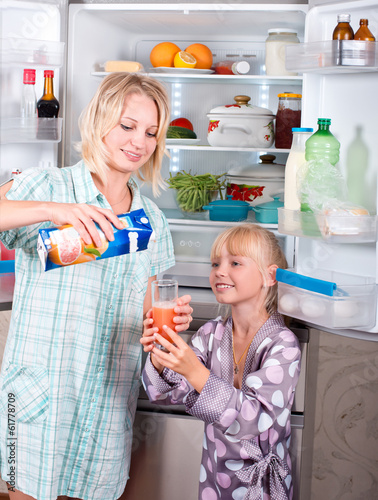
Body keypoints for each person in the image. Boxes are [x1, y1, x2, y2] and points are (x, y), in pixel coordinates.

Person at [0, 72, 193, 500]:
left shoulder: (150, 221)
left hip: (105, 401)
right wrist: (52, 210)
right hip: (37, 396)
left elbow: (149, 318)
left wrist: (167, 324)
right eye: (127, 126)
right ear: (99, 120)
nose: (138, 142)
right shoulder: (46, 186)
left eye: (151, 133)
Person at [141, 224, 302, 500]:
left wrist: (195, 370)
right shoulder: (210, 334)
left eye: (235, 263)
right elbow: (165, 393)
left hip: (261, 487)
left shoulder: (283, 345)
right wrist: (161, 352)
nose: (220, 271)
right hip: (214, 482)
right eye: (215, 263)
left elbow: (254, 420)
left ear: (270, 276)